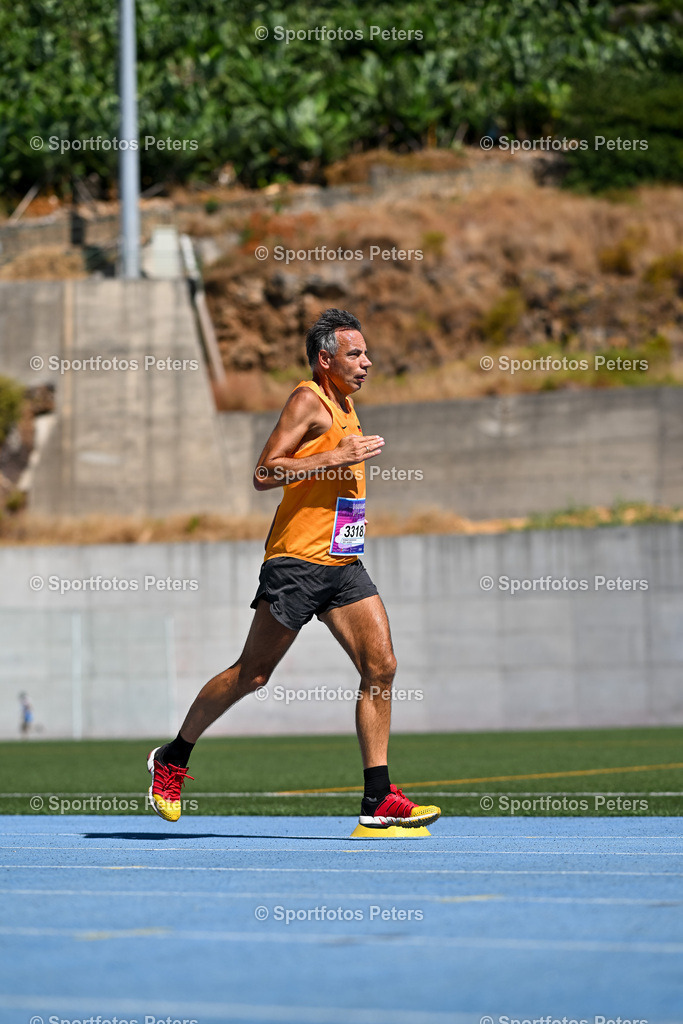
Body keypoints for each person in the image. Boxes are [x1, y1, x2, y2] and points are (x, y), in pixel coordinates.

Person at [147, 308, 440, 830]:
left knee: (382, 666)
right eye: (356, 353)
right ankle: (173, 757)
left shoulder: (346, 406)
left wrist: (343, 457)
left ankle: (378, 799)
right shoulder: (309, 399)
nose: (367, 362)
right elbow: (264, 472)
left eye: (367, 352)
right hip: (296, 563)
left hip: (343, 562)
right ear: (325, 360)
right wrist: (335, 457)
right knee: (252, 674)